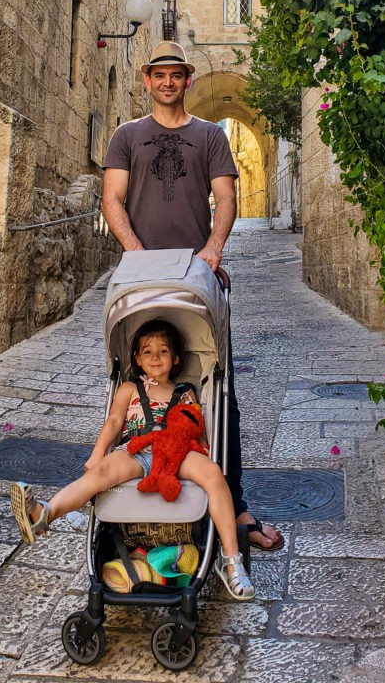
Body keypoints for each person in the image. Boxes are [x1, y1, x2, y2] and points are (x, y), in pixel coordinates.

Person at [101, 41, 284, 552]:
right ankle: (131, 497)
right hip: (141, 282)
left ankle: (235, 503)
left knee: (217, 388)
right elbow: (111, 199)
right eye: (158, 74)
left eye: (175, 75)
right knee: (133, 381)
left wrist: (212, 252)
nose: (166, 82)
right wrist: (136, 254)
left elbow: (225, 197)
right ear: (147, 80)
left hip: (197, 281)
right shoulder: (126, 136)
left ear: (187, 79)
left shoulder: (209, 137)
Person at [11, 320, 255, 601]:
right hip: (137, 449)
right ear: (137, 359)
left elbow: (195, 425)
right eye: (147, 352)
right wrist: (97, 453)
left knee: (213, 474)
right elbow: (114, 420)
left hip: (177, 452)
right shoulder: (129, 388)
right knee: (100, 474)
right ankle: (44, 514)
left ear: (175, 358)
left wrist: (204, 450)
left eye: (163, 351)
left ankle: (231, 559)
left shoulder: (185, 391)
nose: (155, 357)